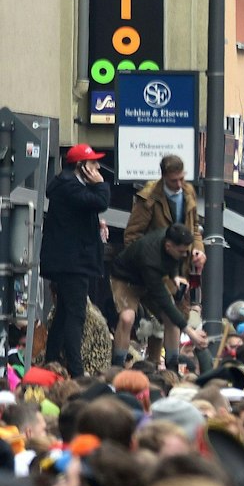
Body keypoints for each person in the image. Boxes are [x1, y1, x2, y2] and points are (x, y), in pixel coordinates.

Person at [119, 154, 204, 365]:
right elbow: (131, 236)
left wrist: (198, 251)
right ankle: (119, 365)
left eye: (182, 178)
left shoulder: (188, 193)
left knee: (173, 317)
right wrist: (148, 262)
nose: (179, 184)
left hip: (179, 267)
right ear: (164, 176)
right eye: (174, 180)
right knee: (133, 317)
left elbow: (194, 230)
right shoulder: (148, 198)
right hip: (150, 267)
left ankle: (172, 367)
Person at [40, 144, 111, 377]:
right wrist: (100, 183)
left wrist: (95, 222)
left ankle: (51, 361)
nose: (97, 167)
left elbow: (81, 212)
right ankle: (77, 371)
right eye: (93, 164)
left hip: (70, 261)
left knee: (63, 314)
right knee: (76, 315)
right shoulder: (70, 186)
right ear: (81, 167)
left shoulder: (68, 185)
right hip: (72, 263)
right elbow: (99, 201)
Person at [108, 223, 206, 370]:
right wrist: (191, 332)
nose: (185, 255)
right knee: (127, 318)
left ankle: (172, 366)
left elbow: (174, 260)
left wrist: (174, 276)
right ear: (168, 246)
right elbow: (164, 302)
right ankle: (117, 365)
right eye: (182, 251)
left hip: (151, 278)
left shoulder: (174, 245)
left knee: (171, 321)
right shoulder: (150, 259)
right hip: (126, 279)